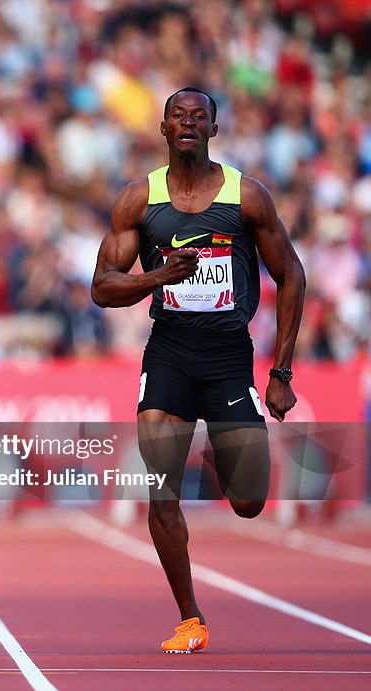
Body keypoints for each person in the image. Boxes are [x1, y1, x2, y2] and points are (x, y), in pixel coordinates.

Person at [91, 87, 305, 653]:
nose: (188, 125)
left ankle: (222, 446)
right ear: (163, 129)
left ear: (213, 128)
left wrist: (281, 371)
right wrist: (158, 278)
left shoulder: (247, 197)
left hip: (229, 356)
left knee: (250, 501)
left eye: (198, 118)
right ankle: (191, 617)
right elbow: (103, 287)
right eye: (177, 118)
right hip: (169, 354)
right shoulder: (138, 200)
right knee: (160, 492)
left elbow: (293, 276)